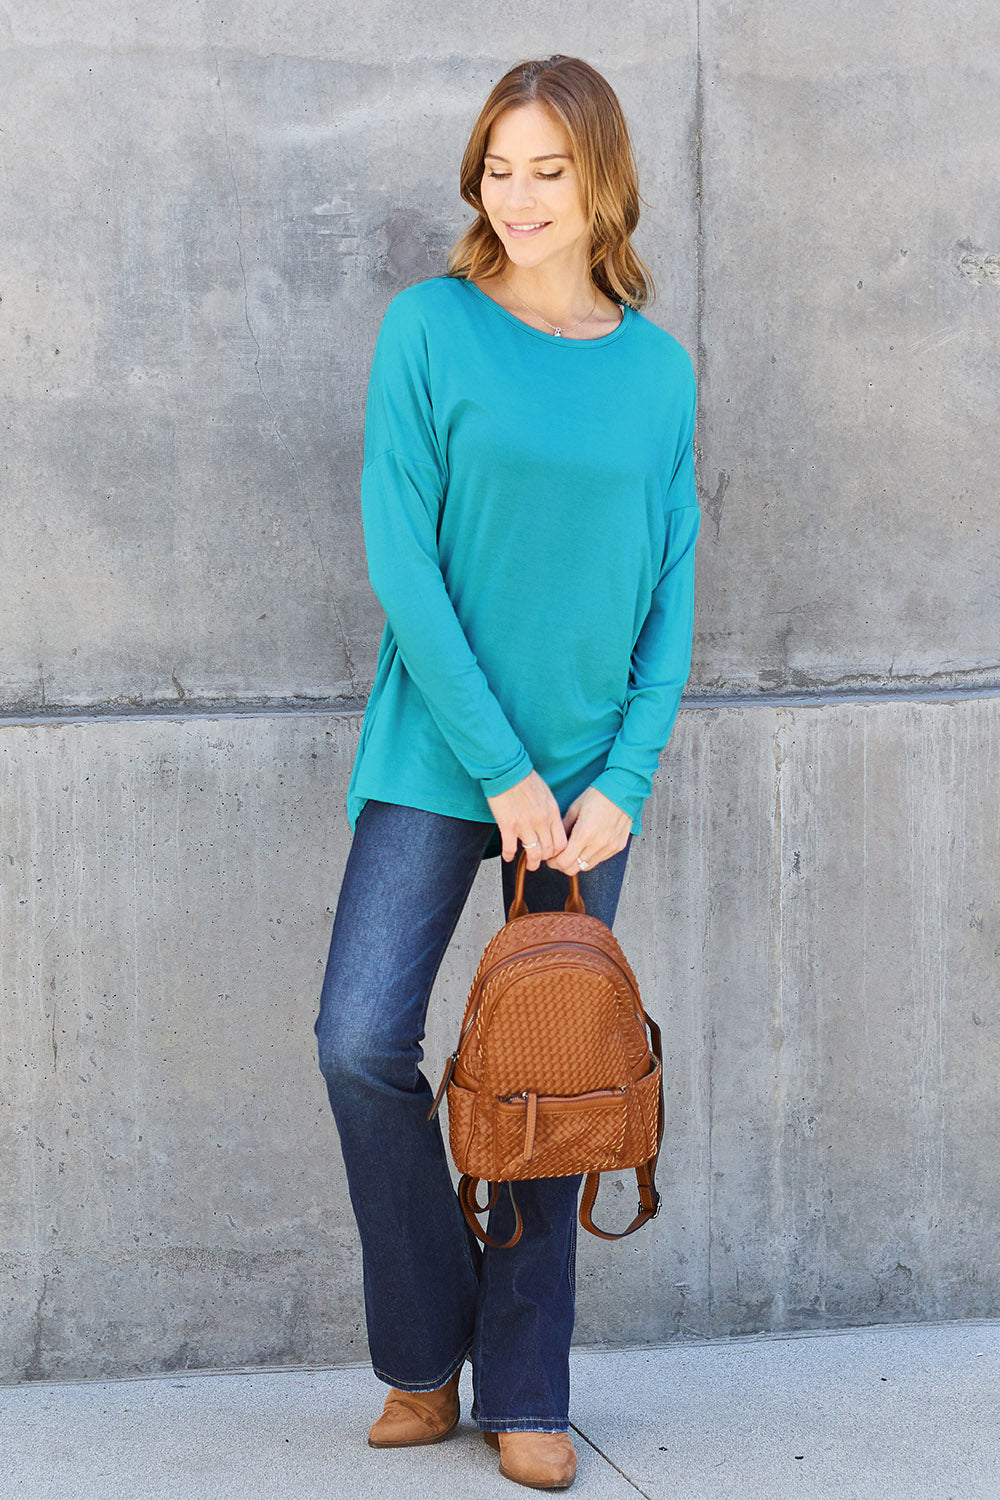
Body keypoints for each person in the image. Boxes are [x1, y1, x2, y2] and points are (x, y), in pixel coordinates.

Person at [315, 54, 699, 1491]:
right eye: (499, 167)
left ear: (602, 177)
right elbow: (402, 564)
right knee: (359, 1041)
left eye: (548, 169)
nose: (519, 196)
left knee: (551, 1077)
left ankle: (525, 1387)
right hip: (441, 755)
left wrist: (626, 782)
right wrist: (501, 770)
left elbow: (673, 598)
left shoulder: (657, 368)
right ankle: (428, 1352)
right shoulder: (429, 331)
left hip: (592, 782)